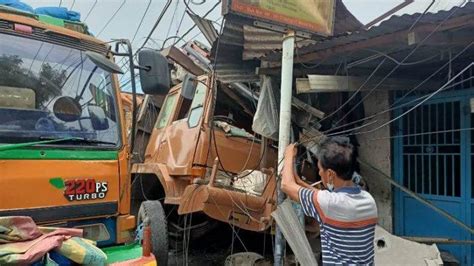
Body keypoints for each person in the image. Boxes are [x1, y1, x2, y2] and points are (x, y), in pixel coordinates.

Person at [281, 136, 378, 265]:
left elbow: (286, 185)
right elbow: (322, 197)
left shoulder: (329, 204)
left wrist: (288, 155)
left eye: (320, 169)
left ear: (331, 174)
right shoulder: (368, 200)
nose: (320, 173)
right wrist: (298, 182)